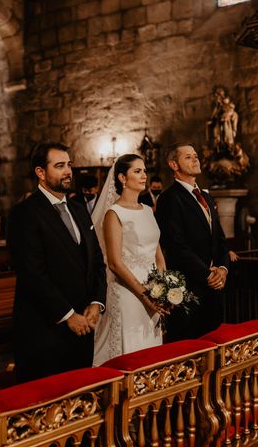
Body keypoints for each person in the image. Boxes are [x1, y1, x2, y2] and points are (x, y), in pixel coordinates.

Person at [7, 142, 107, 382]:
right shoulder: (24, 213)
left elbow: (96, 261)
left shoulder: (79, 209)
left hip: (83, 326)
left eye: (69, 165)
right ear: (40, 173)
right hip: (45, 330)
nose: (68, 172)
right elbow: (32, 274)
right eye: (59, 166)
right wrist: (67, 314)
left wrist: (96, 302)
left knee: (81, 398)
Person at [92, 155, 169, 366]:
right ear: (122, 178)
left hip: (153, 290)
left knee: (151, 350)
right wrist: (144, 295)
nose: (144, 175)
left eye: (144, 170)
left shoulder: (147, 211)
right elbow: (115, 263)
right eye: (137, 171)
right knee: (131, 353)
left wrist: (161, 288)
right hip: (127, 291)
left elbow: (158, 255)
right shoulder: (113, 213)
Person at [155, 142, 229, 341]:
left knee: (214, 344)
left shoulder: (206, 197)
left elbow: (220, 239)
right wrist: (207, 275)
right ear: (173, 165)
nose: (195, 159)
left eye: (195, 155)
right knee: (188, 346)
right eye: (188, 157)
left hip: (214, 288)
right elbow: (176, 245)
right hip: (189, 288)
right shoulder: (169, 198)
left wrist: (222, 268)